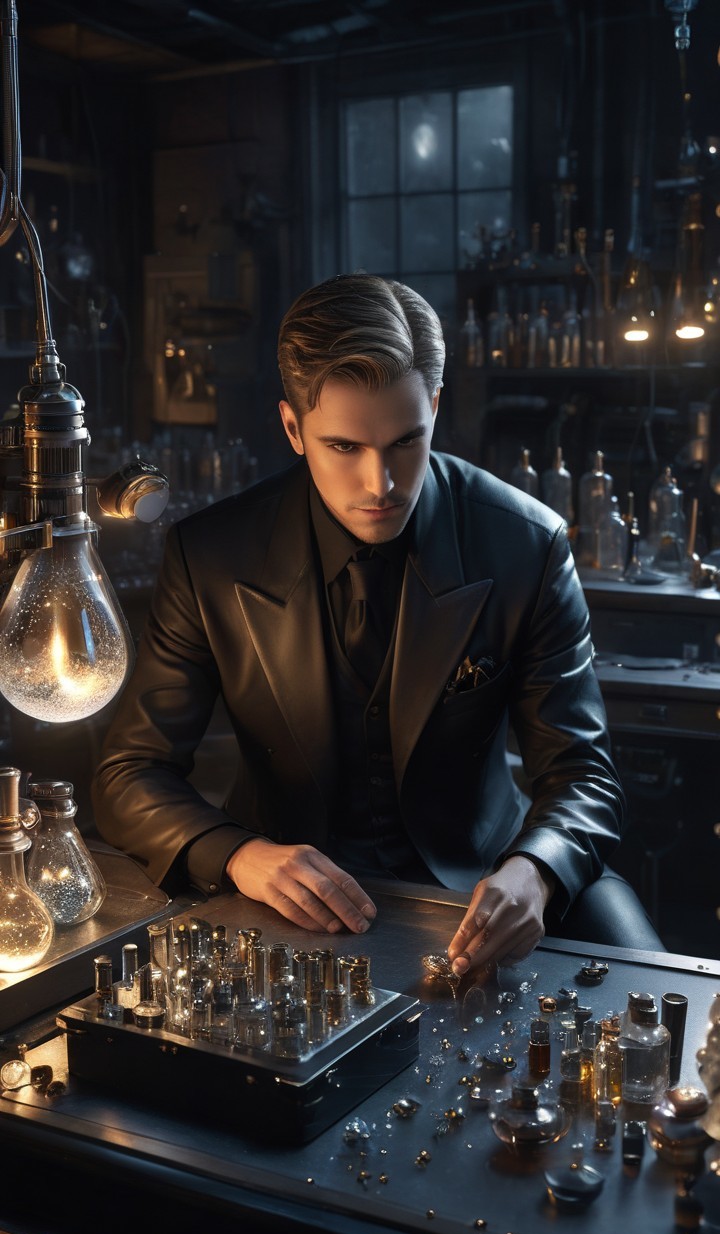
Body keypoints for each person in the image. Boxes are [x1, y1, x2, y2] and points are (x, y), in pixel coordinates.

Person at [91, 272, 665, 979]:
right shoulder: (210, 554)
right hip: (286, 895)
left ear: (436, 408)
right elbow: (129, 774)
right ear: (293, 429)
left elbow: (584, 775)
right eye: (344, 448)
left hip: (484, 884)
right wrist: (238, 855)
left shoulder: (527, 543)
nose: (380, 484)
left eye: (404, 442)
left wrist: (536, 871)